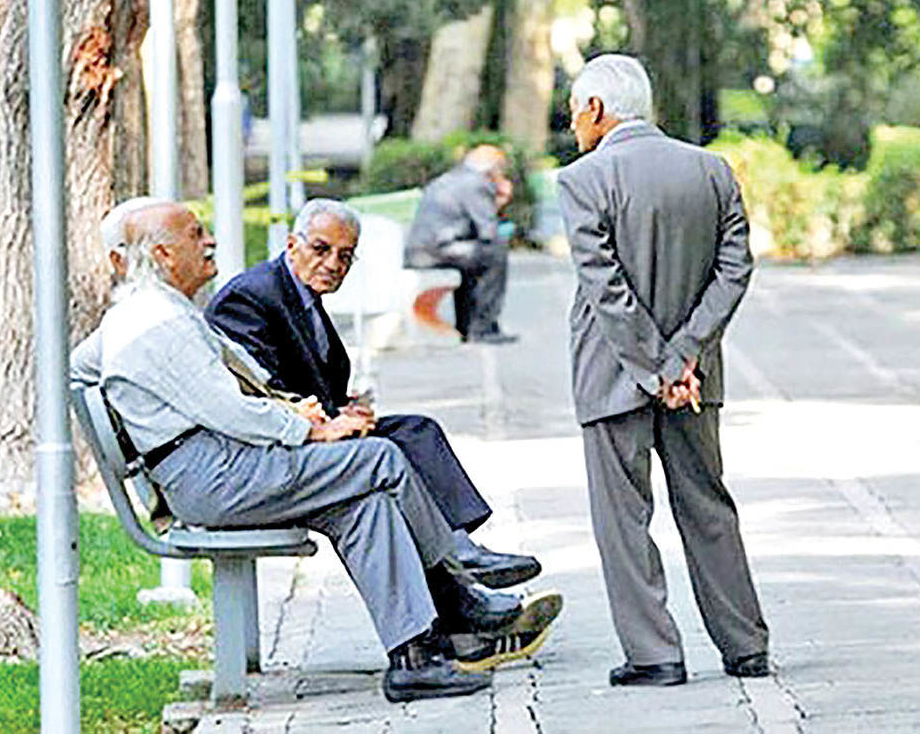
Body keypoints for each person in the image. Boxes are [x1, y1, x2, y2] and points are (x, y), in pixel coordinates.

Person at [71, 201, 528, 702]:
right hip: (212, 476)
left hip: (217, 466)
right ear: (163, 253)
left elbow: (79, 368)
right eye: (196, 233)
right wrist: (310, 432)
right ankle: (458, 589)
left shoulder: (150, 311)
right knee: (378, 458)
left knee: (365, 504)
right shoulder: (155, 322)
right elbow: (229, 410)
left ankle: (413, 658)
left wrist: (305, 415)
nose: (211, 242)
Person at [205, 198, 561, 669]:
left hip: (312, 431)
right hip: (272, 453)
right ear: (292, 245)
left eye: (345, 256)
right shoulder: (252, 295)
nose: (333, 264)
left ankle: (460, 571)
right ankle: (461, 584)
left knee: (415, 431)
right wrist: (327, 424)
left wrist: (345, 409)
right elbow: (257, 390)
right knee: (384, 466)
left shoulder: (303, 296)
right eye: (321, 249)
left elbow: (304, 381)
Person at [558, 54, 769, 687]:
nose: (572, 123)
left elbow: (607, 289)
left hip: (614, 372)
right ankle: (746, 646)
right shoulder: (710, 170)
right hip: (695, 378)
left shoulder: (583, 179)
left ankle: (654, 654)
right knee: (708, 505)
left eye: (575, 110)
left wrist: (655, 365)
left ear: (596, 108)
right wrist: (686, 356)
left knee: (624, 518)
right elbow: (735, 270)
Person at [404, 145, 516, 344]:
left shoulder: (448, 179)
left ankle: (466, 326)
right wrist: (501, 199)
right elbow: (488, 230)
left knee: (476, 259)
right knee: (494, 252)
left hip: (422, 251)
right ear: (494, 170)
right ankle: (482, 328)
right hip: (441, 250)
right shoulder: (478, 184)